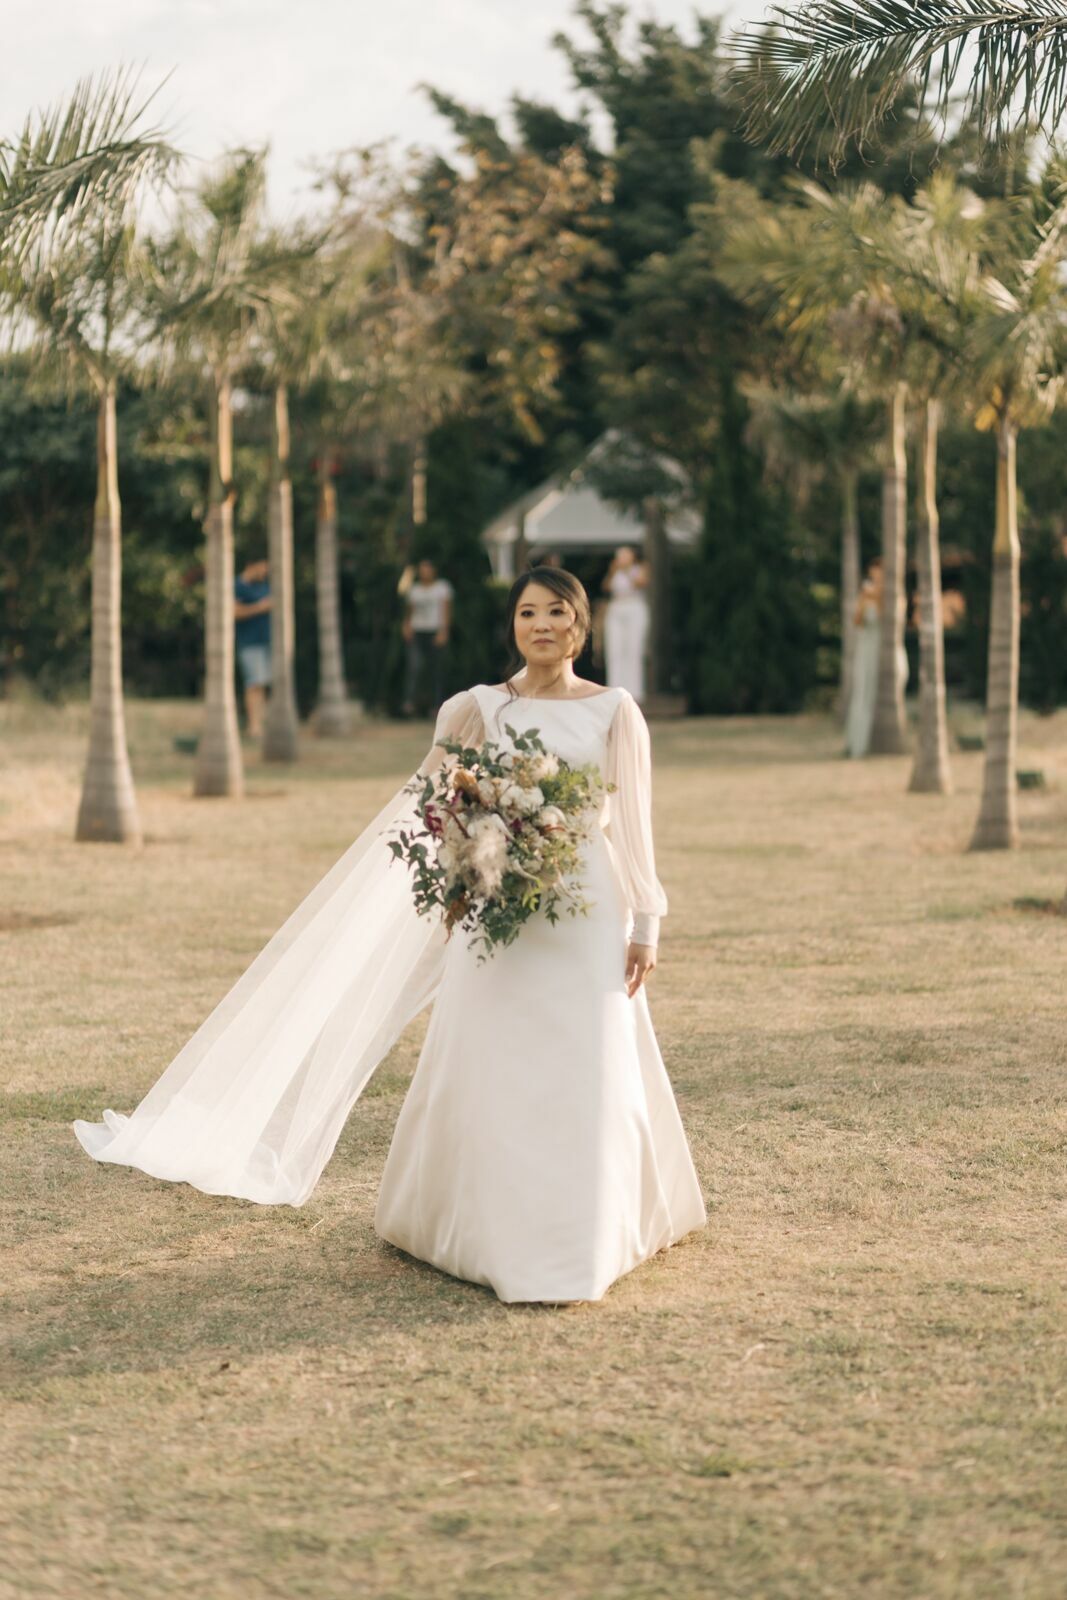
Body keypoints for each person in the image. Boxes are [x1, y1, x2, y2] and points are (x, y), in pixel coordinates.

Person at [73, 566, 706, 1305]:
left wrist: (646, 920)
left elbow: (634, 826)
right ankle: (475, 1226)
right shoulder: (477, 708)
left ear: (581, 625)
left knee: (587, 1055)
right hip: (494, 906)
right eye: (527, 612)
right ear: (511, 625)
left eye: (557, 612)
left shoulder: (614, 711)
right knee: (489, 1053)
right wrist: (462, 863)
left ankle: (587, 1230)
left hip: (585, 908)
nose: (541, 625)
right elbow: (429, 806)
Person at [402, 559, 453, 716]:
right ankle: (410, 702)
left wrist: (444, 630)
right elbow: (410, 610)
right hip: (418, 631)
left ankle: (437, 704)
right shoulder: (415, 589)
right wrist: (407, 625)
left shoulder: (442, 588)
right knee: (415, 667)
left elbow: (446, 610)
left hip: (434, 631)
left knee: (437, 669)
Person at [603, 545, 650, 702]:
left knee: (633, 649)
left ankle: (635, 691)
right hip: (617, 607)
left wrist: (627, 571)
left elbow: (640, 583)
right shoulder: (614, 570)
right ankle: (614, 688)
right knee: (615, 650)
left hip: (633, 607)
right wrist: (613, 571)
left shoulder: (640, 568)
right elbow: (606, 587)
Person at [846, 557, 882, 758]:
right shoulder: (866, 593)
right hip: (866, 646)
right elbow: (857, 621)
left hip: (881, 648)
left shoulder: (889, 594)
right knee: (862, 693)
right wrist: (864, 599)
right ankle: (856, 743)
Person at [234, 558, 273, 738]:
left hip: (266, 642)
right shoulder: (237, 586)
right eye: (262, 567)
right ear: (251, 565)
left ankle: (260, 724)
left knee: (262, 685)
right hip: (249, 642)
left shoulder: (263, 586)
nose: (265, 571)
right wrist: (260, 607)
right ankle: (253, 726)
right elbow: (235, 612)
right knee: (253, 684)